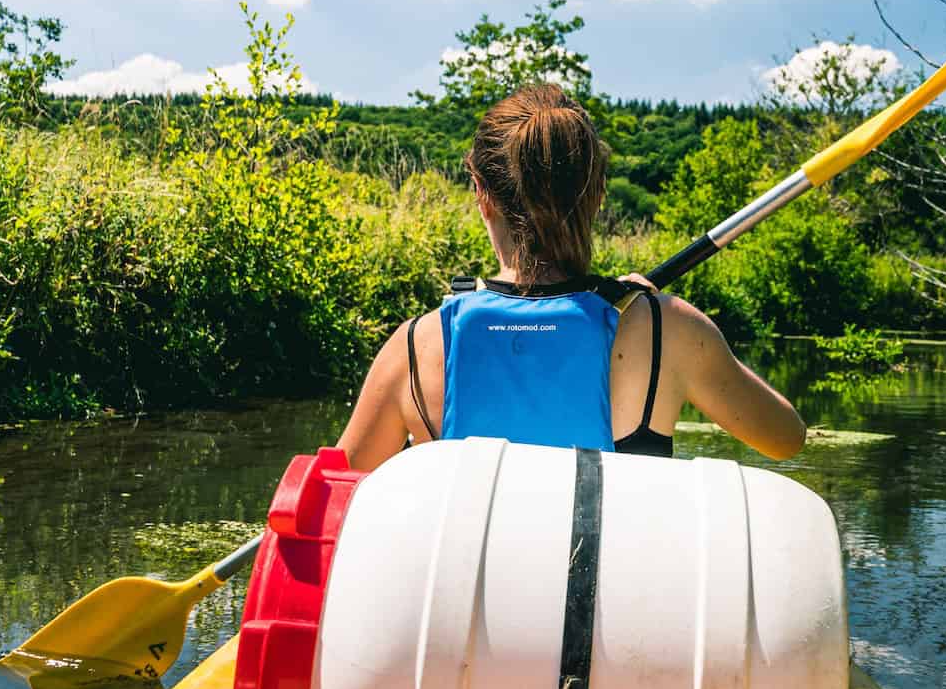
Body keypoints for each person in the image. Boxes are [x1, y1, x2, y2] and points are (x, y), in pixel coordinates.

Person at [335, 83, 805, 472]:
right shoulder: (671, 331)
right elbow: (786, 438)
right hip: (610, 588)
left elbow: (337, 492)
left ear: (483, 195)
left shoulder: (418, 346)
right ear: (598, 194)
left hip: (467, 587)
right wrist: (647, 312)